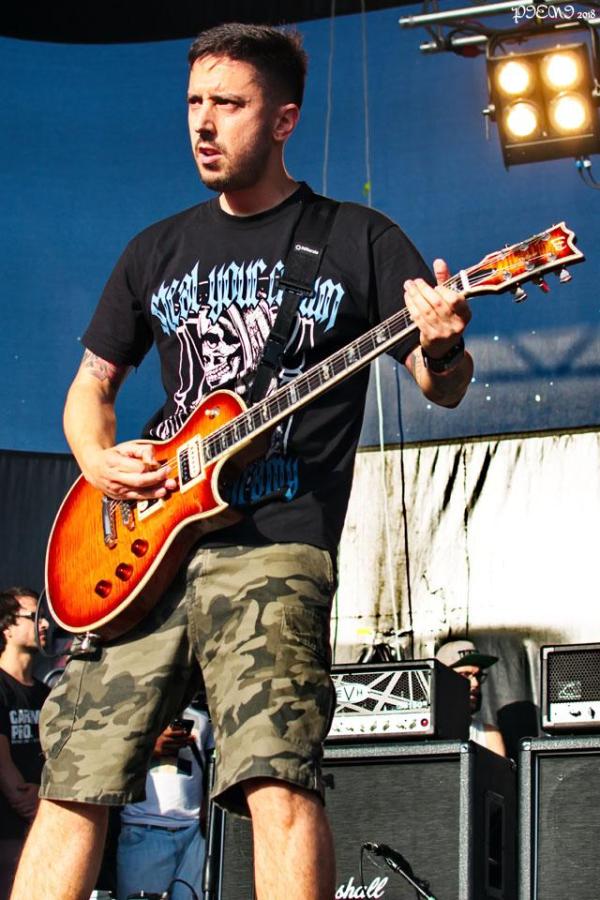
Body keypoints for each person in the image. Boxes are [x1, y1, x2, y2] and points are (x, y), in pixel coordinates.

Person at [11, 24, 473, 900]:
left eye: (228, 103)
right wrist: (98, 460)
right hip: (145, 544)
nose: (203, 122)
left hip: (275, 542)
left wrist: (444, 345)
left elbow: (438, 383)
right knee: (73, 783)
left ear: (284, 119)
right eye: (194, 101)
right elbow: (90, 385)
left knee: (275, 777)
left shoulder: (358, 238)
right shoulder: (156, 249)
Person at [117, 707, 213, 900]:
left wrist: (207, 804)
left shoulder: (202, 716)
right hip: (143, 828)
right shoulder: (130, 712)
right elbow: (108, 760)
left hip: (194, 832)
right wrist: (149, 748)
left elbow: (214, 765)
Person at [0, 589, 50, 899]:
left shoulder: (46, 695)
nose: (44, 623)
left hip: (39, 825)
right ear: (6, 627)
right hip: (7, 829)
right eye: (34, 616)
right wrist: (25, 798)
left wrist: (42, 798)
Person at [436, 639, 507, 756]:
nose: (475, 683)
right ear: (441, 678)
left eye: (478, 676)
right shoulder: (420, 729)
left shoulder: (489, 735)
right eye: (465, 675)